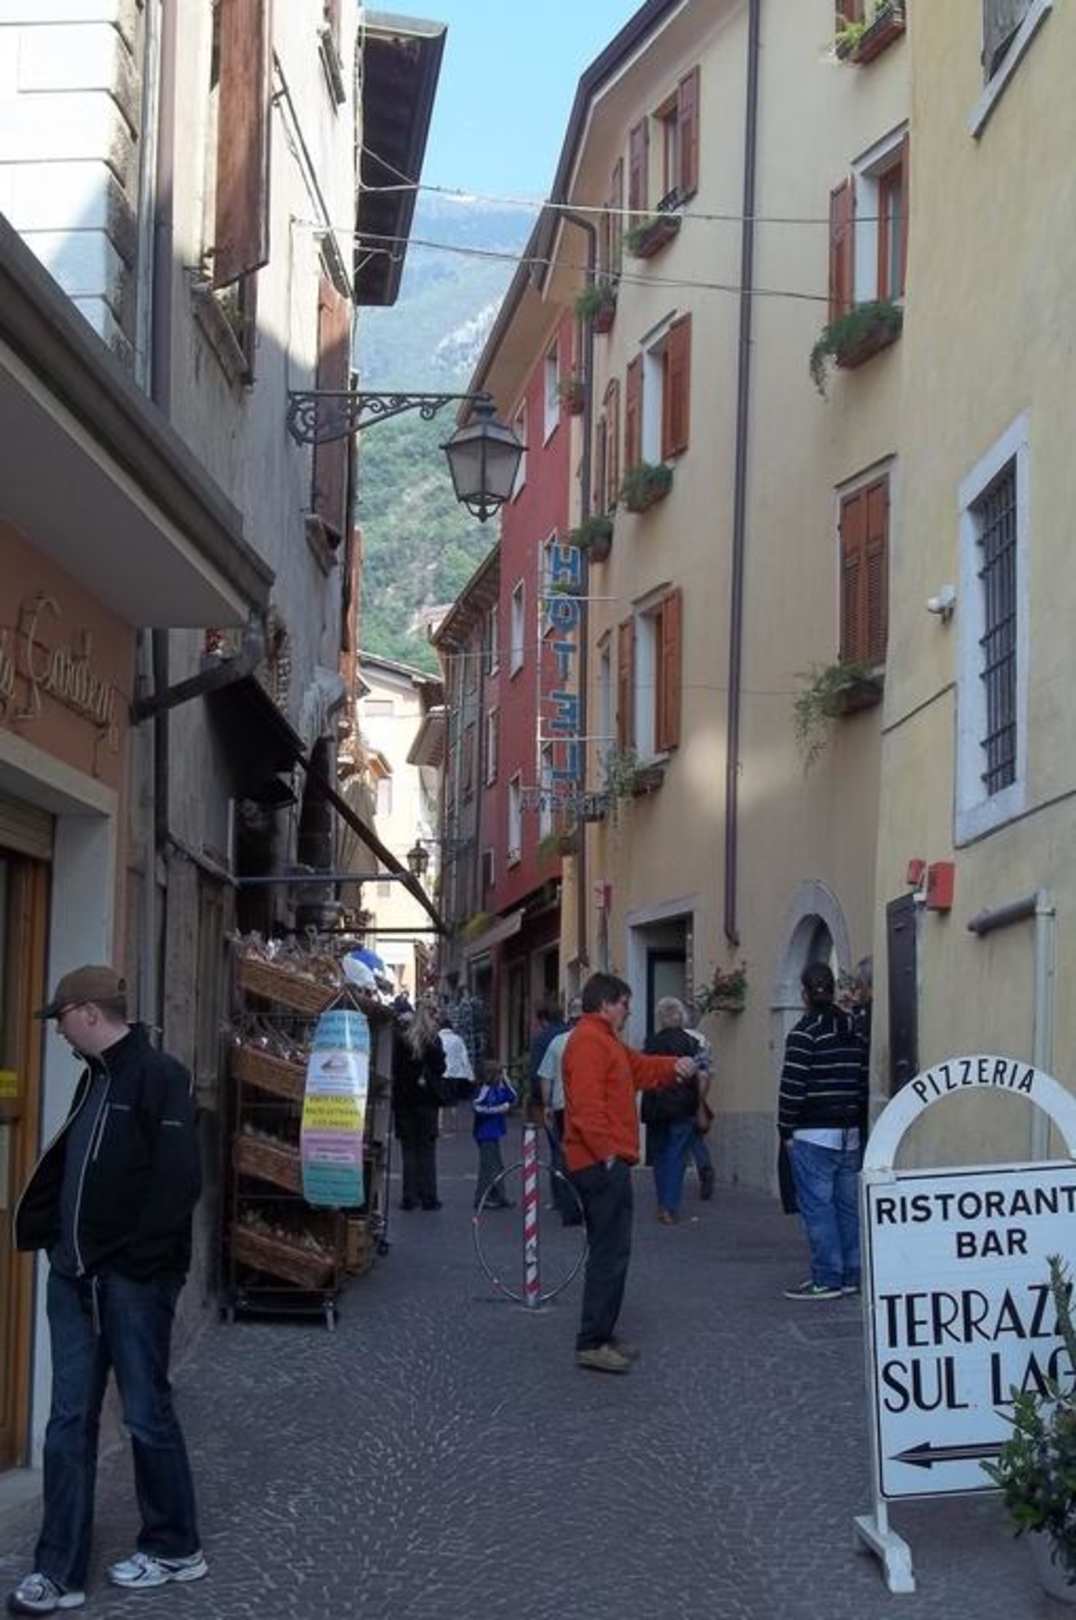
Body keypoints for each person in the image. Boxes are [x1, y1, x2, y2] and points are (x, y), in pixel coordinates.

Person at [9, 966, 205, 1616]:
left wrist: (134, 1266)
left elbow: (178, 1182)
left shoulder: (160, 1077)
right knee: (68, 1421)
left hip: (129, 1283)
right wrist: (56, 1242)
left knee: (145, 1413)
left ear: (89, 1013)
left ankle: (175, 1546)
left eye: (61, 1018)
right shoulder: (93, 1077)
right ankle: (57, 1571)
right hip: (73, 1279)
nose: (58, 1030)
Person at [563, 973, 697, 1374]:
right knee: (609, 1252)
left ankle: (602, 1333)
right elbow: (587, 1108)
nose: (629, 1011)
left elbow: (638, 1068)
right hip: (600, 1161)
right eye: (624, 1004)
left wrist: (674, 1066)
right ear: (606, 1004)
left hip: (604, 1159)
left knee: (613, 1250)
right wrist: (606, 1155)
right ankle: (592, 1341)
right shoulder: (590, 1042)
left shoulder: (603, 1040)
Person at [777, 961, 869, 1301]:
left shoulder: (803, 1033)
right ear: (832, 989)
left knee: (818, 1208)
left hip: (813, 1132)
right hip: (849, 1132)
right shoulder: (853, 1029)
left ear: (804, 994)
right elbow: (862, 1080)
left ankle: (827, 1277)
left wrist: (785, 1129)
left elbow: (792, 1086)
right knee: (846, 1208)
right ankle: (851, 1274)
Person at [643, 998, 710, 1223]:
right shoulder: (692, 1043)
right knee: (677, 1155)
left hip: (656, 1105)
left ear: (660, 1018)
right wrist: (700, 1103)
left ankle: (663, 1202)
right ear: (681, 1017)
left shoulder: (651, 1043)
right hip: (683, 1105)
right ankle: (670, 1207)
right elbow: (702, 1075)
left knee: (660, 1155)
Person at [392, 1001, 445, 1212]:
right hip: (427, 1102)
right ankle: (429, 1197)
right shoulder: (434, 1041)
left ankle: (409, 1197)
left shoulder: (403, 1040)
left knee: (408, 1150)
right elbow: (440, 1068)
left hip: (405, 1102)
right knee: (427, 1150)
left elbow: (396, 1069)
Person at [537, 995, 583, 1225]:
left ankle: (567, 1204)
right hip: (588, 1106)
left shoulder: (557, 1042)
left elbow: (546, 1077)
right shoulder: (598, 1041)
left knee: (563, 1155)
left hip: (562, 1105)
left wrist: (546, 1105)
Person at [471, 1064, 518, 1210]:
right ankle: (482, 1198)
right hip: (485, 1132)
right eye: (500, 1074)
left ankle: (498, 1196)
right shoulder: (484, 1090)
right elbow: (477, 1107)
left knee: (496, 1165)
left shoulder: (497, 1089)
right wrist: (498, 1109)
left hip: (493, 1132)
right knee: (488, 1167)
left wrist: (506, 1081)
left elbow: (513, 1097)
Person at [527, 1002, 566, 1117]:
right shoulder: (573, 1034)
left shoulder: (541, 1040)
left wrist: (540, 1101)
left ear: (543, 1020)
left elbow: (537, 1074)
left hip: (553, 1100)